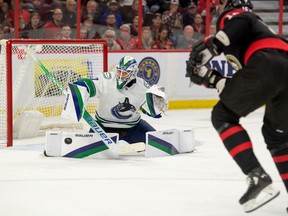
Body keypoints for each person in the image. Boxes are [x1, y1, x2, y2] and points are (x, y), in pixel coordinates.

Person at [186, 0, 288, 213]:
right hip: (280, 66)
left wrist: (215, 44)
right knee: (276, 136)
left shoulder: (233, 16)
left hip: (270, 61)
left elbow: (246, 19)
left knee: (222, 116)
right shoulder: (249, 36)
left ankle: (255, 174)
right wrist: (213, 79)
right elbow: (248, 81)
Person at [70, 56, 167, 144]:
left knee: (160, 143)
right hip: (103, 127)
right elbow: (90, 85)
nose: (120, 75)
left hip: (133, 128)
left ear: (133, 73)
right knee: (88, 149)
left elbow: (150, 111)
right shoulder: (106, 79)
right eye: (119, 71)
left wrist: (156, 109)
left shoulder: (142, 86)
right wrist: (78, 88)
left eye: (124, 73)